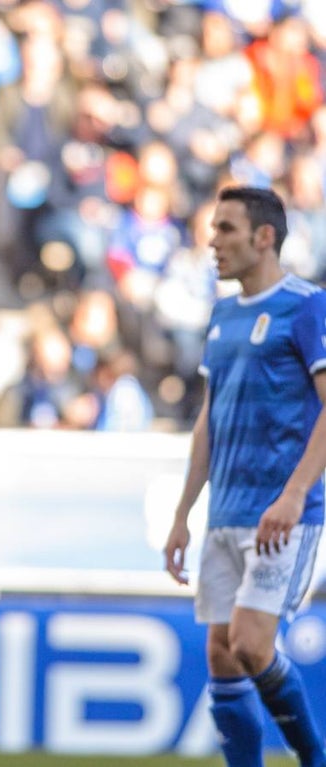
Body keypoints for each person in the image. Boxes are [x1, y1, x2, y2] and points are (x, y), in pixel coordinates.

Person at [163, 186, 326, 767]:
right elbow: (210, 418)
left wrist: (295, 493)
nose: (213, 241)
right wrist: (183, 514)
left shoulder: (307, 306)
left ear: (264, 237)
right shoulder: (222, 314)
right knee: (222, 655)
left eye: (226, 229)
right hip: (224, 513)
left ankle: (315, 757)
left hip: (282, 514)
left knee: (252, 644)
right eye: (213, 228)